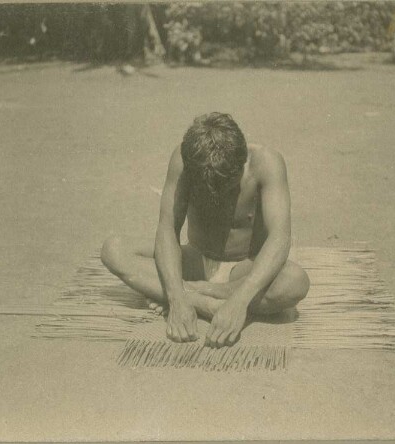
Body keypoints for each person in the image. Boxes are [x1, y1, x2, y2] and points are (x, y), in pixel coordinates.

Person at [101, 112, 309, 348]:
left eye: (227, 187)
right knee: (113, 249)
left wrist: (239, 301)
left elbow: (280, 238)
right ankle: (203, 304)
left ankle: (197, 292)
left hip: (244, 269)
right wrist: (178, 300)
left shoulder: (267, 163)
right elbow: (168, 228)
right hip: (196, 260)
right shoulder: (183, 161)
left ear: (242, 163)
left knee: (295, 281)